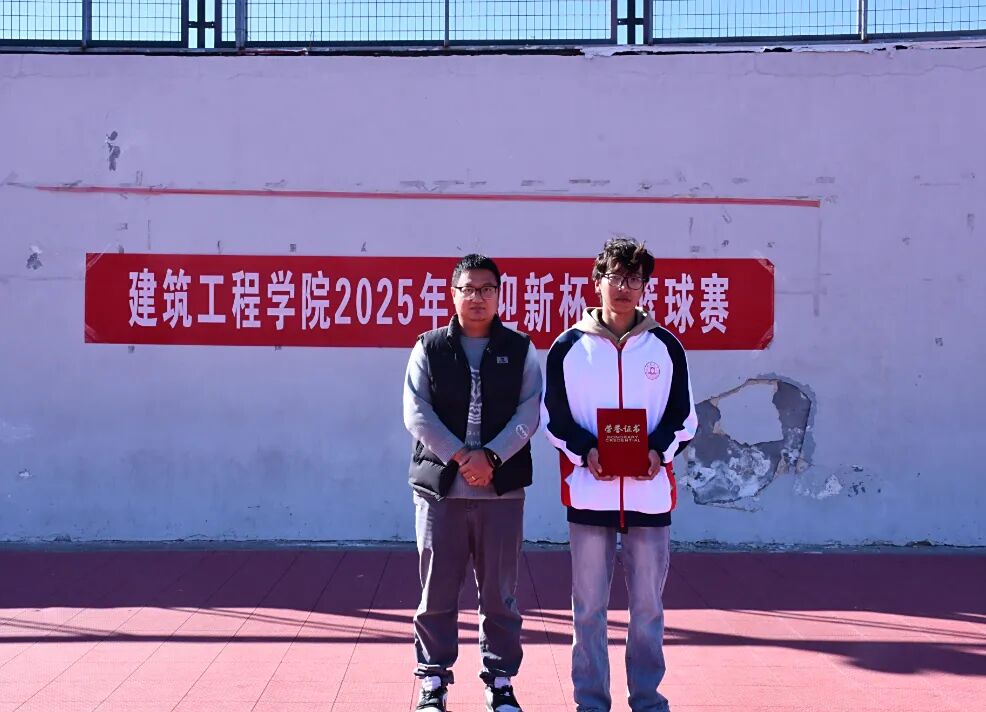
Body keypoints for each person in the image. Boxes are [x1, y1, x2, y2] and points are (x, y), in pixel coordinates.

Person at [542, 238, 697, 712]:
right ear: (597, 282)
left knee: (647, 609)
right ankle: (591, 702)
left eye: (634, 279)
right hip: (590, 495)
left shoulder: (666, 346)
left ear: (645, 286)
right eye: (615, 277)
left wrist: (657, 451)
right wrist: (585, 451)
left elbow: (684, 417)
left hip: (649, 497)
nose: (624, 287)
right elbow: (553, 418)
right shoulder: (569, 347)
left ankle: (647, 700)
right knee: (588, 608)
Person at [403, 253, 542, 712]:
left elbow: (530, 411)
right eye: (468, 289)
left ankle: (500, 681)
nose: (477, 297)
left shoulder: (520, 349)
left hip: (502, 492)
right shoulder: (429, 347)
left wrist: (493, 457)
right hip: (441, 492)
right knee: (436, 592)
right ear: (453, 294)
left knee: (500, 594)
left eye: (487, 289)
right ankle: (433, 681)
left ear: (499, 295)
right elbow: (416, 413)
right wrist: (463, 456)